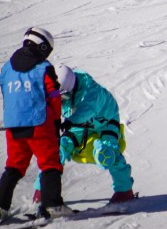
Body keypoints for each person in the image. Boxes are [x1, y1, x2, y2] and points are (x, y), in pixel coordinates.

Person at [0, 28, 72, 222]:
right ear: (42, 46)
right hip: (39, 123)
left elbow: (6, 93)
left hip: (13, 124)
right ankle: (52, 205)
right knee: (50, 163)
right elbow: (54, 96)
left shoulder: (6, 68)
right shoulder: (43, 67)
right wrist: (56, 122)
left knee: (14, 165)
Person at [32, 65, 134, 205]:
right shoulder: (60, 89)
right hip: (79, 125)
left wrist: (69, 122)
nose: (62, 100)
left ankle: (124, 190)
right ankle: (44, 189)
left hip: (105, 121)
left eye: (64, 96)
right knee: (58, 150)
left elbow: (87, 109)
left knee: (109, 152)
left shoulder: (91, 91)